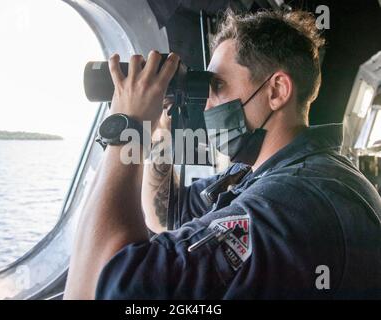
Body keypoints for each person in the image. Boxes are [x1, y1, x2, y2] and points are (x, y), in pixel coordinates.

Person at [64, 9, 381, 300]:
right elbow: (167, 214)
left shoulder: (294, 202)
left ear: (276, 91)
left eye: (217, 86)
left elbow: (104, 288)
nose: (206, 105)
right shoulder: (261, 172)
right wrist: (159, 124)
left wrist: (127, 127)